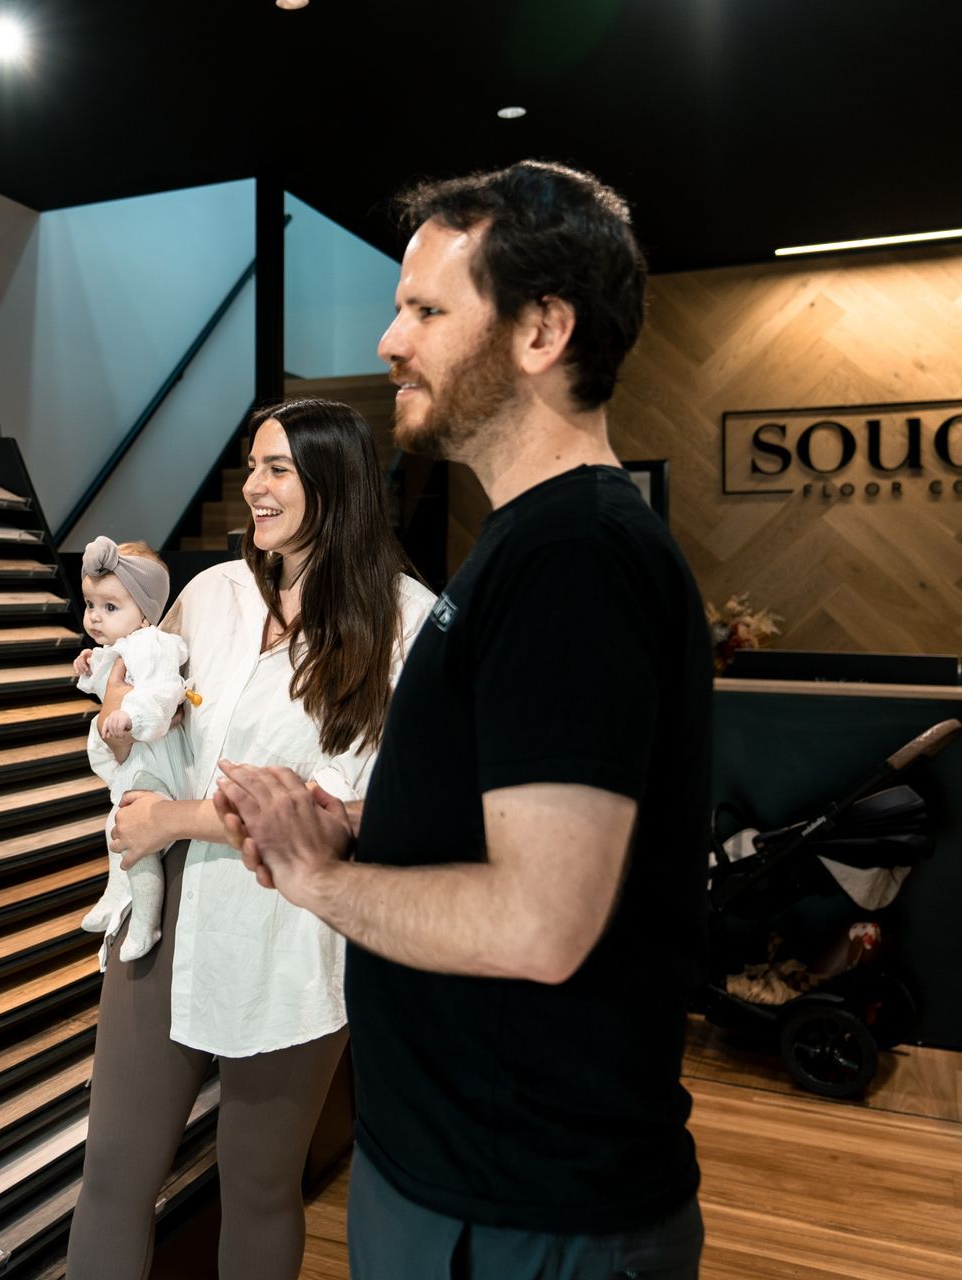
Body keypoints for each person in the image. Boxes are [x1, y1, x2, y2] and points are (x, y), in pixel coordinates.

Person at [214, 161, 712, 1279]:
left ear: (542, 328)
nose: (391, 341)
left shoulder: (573, 557)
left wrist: (320, 880)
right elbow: (510, 845)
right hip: (465, 1185)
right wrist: (362, 832)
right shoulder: (525, 549)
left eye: (429, 310)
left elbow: (540, 920)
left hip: (523, 1216)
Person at [64, 400, 436, 1280]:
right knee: (114, 1168)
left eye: (277, 469)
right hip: (164, 914)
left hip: (292, 929)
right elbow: (148, 730)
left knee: (261, 1183)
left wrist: (176, 819)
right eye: (253, 466)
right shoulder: (211, 594)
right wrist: (115, 730)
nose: (254, 488)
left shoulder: (406, 622)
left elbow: (345, 809)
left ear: (334, 481)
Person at [72, 535, 194, 963]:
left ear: (145, 611)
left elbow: (164, 690)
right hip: (136, 759)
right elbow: (107, 684)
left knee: (136, 837)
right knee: (115, 831)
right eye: (90, 605)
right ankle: (113, 896)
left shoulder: (153, 645)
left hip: (157, 762)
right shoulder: (123, 646)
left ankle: (145, 918)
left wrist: (133, 717)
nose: (95, 617)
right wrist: (88, 667)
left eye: (110, 607)